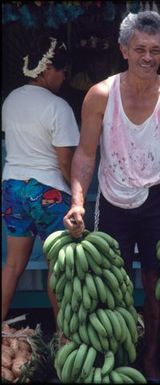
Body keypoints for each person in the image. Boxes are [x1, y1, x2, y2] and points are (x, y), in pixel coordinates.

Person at [64, 11, 160, 382]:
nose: (148, 57)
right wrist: (78, 202)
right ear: (124, 50)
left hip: (157, 198)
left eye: (156, 50)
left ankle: (149, 358)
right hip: (112, 198)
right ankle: (119, 357)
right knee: (113, 284)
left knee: (155, 282)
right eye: (140, 49)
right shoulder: (100, 95)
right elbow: (85, 153)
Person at [1, 36, 80, 322]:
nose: (63, 78)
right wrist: (77, 199)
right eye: (62, 72)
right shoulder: (58, 107)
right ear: (48, 70)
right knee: (56, 267)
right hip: (48, 192)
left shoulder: (10, 100)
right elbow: (64, 162)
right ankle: (64, 337)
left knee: (13, 264)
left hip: (13, 187)